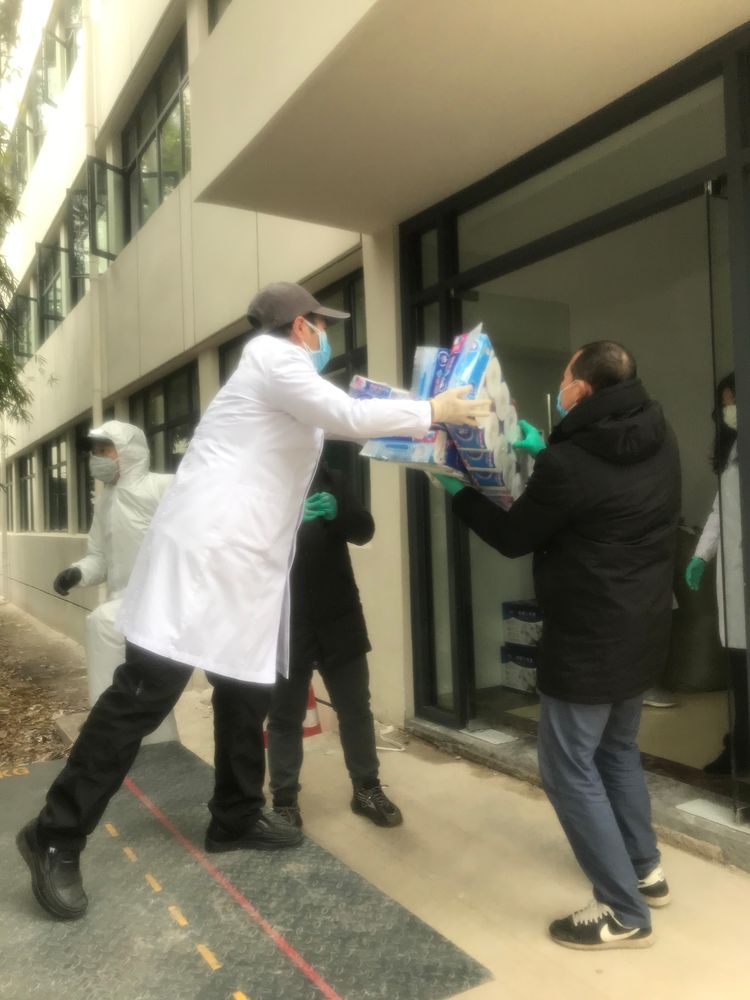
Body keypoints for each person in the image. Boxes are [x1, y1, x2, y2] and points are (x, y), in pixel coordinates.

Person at [17, 281, 489, 921]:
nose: (326, 336)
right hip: (203, 562)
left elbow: (345, 418)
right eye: (322, 324)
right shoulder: (272, 359)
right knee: (143, 695)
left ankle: (235, 816)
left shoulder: (286, 380)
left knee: (246, 691)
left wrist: (419, 416)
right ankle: (54, 834)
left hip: (244, 571)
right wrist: (433, 409)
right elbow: (348, 417)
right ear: (300, 326)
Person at [436, 341, 680, 951]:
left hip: (588, 639)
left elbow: (514, 536)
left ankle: (623, 911)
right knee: (617, 750)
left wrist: (458, 490)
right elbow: (604, 492)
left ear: (583, 390)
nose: (562, 386)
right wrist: (545, 451)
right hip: (643, 626)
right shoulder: (659, 435)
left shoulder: (569, 464)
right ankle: (645, 871)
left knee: (567, 768)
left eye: (567, 377)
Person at [268, 461, 402, 829]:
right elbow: (244, 544)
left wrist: (339, 512)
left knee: (355, 707)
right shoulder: (263, 480)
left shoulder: (332, 478)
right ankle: (284, 800)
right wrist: (290, 523)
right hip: (285, 619)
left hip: (338, 616)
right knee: (284, 715)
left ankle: (366, 788)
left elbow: (364, 530)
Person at [52, 421, 178, 744]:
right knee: (133, 677)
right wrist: (78, 573)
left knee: (105, 626)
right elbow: (99, 557)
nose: (97, 457)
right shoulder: (105, 501)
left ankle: (109, 733)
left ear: (127, 451)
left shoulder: (162, 487)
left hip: (161, 600)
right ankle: (124, 736)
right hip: (124, 602)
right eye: (95, 451)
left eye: (105, 449)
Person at [685, 372, 748, 775]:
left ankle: (741, 745)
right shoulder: (733, 455)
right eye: (725, 404)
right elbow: (719, 513)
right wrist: (701, 556)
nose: (729, 411)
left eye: (734, 402)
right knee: (740, 672)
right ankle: (741, 744)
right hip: (735, 583)